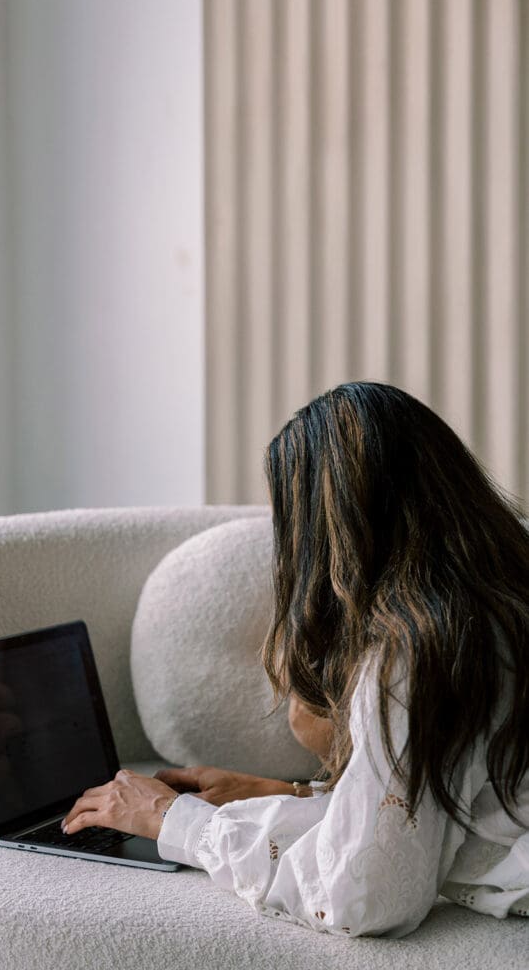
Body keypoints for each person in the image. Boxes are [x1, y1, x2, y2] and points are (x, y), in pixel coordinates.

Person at [62, 382, 529, 937]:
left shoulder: (421, 648)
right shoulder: (498, 599)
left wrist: (172, 820)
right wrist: (294, 795)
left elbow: (361, 896)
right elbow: (459, 804)